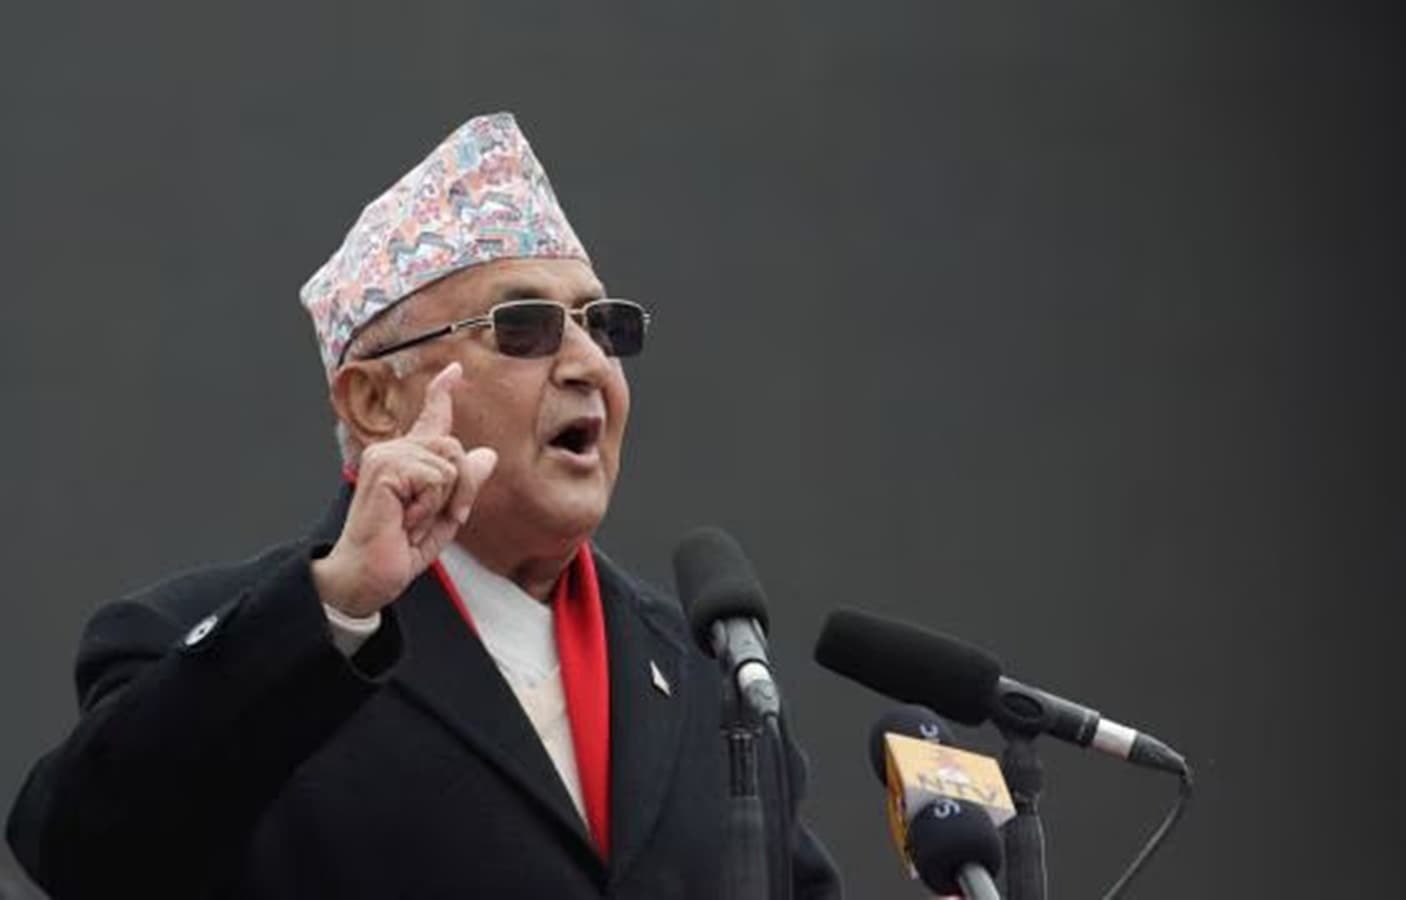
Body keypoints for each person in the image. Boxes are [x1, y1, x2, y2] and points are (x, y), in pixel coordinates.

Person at [6, 112, 840, 899]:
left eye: (604, 326)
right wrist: (337, 608)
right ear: (375, 401)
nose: (589, 362)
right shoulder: (237, 641)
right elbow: (83, 853)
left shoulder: (710, 679)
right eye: (524, 327)